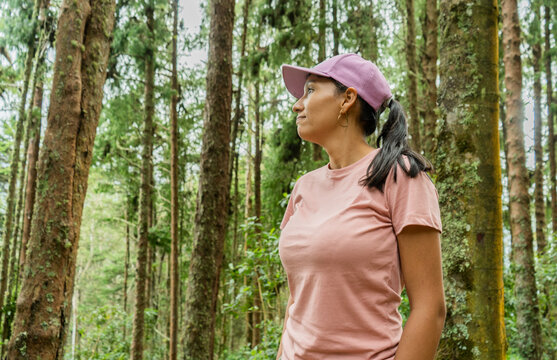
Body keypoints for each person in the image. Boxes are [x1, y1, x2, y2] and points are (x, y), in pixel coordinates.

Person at [276, 53, 446, 360]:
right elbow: (297, 302)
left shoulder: (399, 175)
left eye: (311, 90)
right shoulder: (304, 188)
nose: (296, 104)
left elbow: (430, 308)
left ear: (348, 99)